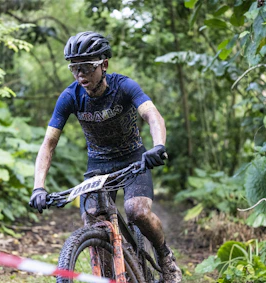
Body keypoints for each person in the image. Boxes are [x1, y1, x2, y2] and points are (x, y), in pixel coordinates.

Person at [29, 31, 182, 282]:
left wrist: (158, 145)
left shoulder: (124, 86)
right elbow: (48, 143)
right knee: (92, 220)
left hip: (134, 159)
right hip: (98, 166)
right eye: (74, 68)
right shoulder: (70, 96)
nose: (81, 75)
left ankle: (165, 258)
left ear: (104, 65)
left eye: (87, 67)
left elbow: (152, 115)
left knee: (137, 211)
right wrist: (38, 187)